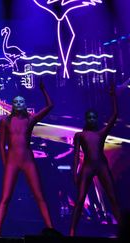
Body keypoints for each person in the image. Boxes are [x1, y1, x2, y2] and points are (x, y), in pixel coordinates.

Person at [0, 80, 55, 237]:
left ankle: (51, 231)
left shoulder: (30, 119)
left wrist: (43, 90)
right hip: (12, 162)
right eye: (15, 101)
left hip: (28, 161)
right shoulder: (5, 121)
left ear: (25, 103)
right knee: (5, 198)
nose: (18, 103)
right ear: (12, 105)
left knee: (39, 196)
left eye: (21, 101)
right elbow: (1, 145)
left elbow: (50, 106)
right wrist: (4, 163)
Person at [70, 83, 121, 236]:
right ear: (86, 119)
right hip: (87, 167)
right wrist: (74, 172)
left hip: (101, 165)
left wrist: (113, 97)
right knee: (80, 199)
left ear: (96, 119)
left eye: (93, 117)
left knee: (112, 197)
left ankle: (123, 229)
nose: (91, 119)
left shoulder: (101, 133)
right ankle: (72, 230)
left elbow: (115, 116)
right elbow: (75, 155)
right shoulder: (79, 135)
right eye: (89, 117)